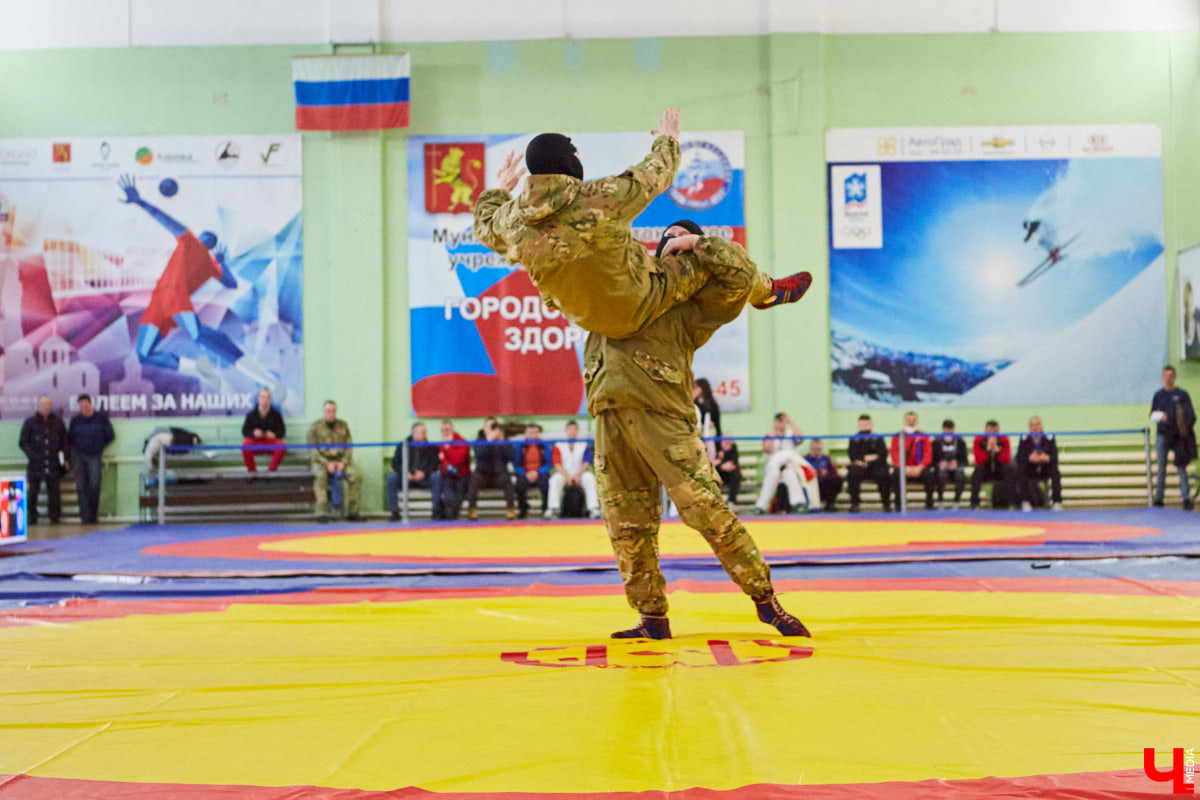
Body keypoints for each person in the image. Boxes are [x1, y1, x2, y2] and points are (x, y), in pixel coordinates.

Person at [587, 226, 809, 640]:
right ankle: (651, 618)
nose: (673, 237)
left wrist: (700, 245)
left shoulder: (691, 306)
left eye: (682, 236)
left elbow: (740, 279)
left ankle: (766, 600)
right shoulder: (623, 289)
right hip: (610, 417)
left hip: (664, 420)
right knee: (626, 525)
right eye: (668, 234)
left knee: (708, 511)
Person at [472, 110, 811, 340]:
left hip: (586, 320)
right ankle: (768, 292)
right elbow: (656, 173)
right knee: (708, 254)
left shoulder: (511, 220)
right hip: (638, 302)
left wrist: (501, 187)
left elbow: (483, 226)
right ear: (567, 162)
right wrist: (668, 138)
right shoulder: (598, 197)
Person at [307, 400, 362, 523]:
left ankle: (353, 512)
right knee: (320, 475)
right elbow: (312, 451)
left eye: (333, 411)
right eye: (328, 411)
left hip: (340, 462)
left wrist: (343, 462)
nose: (331, 413)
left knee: (356, 475)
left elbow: (348, 447)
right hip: (321, 462)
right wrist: (326, 464)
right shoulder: (315, 427)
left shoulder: (343, 426)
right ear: (324, 412)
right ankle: (321, 513)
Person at [1150, 365, 1196, 510]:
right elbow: (1151, 415)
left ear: (1174, 377)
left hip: (1179, 437)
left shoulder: (1182, 394)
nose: (1168, 378)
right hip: (1162, 435)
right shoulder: (1158, 395)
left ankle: (1186, 498)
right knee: (1161, 466)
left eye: (1171, 375)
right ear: (1163, 377)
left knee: (1181, 467)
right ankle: (1159, 499)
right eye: (1166, 375)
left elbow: (1190, 415)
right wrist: (1161, 416)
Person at [752, 413, 818, 514]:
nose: (780, 424)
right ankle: (761, 506)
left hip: (789, 467)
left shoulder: (791, 434)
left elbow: (800, 439)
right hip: (774, 469)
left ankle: (799, 503)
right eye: (778, 421)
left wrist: (791, 422)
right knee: (773, 473)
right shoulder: (770, 436)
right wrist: (775, 433)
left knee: (789, 472)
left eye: (782, 421)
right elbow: (767, 449)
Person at [18, 395, 67, 525]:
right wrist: (32, 455)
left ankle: (55, 517)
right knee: (33, 492)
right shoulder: (30, 422)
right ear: (38, 405)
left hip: (53, 463)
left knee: (54, 492)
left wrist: (64, 459)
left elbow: (65, 442)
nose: (46, 406)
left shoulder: (58, 422)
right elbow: (23, 442)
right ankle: (32, 517)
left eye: (48, 404)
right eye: (43, 404)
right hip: (36, 464)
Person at [67, 394, 114, 524]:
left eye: (85, 404)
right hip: (78, 457)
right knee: (81, 486)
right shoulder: (75, 420)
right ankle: (84, 516)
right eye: (81, 405)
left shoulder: (101, 418)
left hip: (94, 456)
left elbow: (110, 435)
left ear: (90, 403)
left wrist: (99, 447)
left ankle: (93, 516)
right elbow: (69, 438)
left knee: (94, 485)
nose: (84, 407)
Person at [387, 422, 441, 521]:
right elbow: (395, 463)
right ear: (414, 433)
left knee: (436, 476)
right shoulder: (403, 445)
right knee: (391, 478)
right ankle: (394, 512)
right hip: (406, 479)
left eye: (425, 432)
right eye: (423, 432)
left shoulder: (432, 447)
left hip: (424, 478)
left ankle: (436, 511)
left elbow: (435, 464)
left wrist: (424, 473)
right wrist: (405, 473)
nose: (425, 434)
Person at [546, 420, 600, 518]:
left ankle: (593, 508)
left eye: (575, 429)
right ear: (566, 430)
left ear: (578, 431)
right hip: (563, 474)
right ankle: (553, 509)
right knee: (554, 480)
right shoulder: (559, 445)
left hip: (580, 474)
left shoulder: (584, 445)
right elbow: (557, 464)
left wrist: (578, 476)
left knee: (590, 478)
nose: (573, 431)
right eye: (570, 429)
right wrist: (567, 476)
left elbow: (586, 463)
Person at [467, 417, 517, 520]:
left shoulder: (504, 440)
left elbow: (511, 457)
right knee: (474, 479)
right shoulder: (479, 440)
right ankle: (472, 509)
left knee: (506, 479)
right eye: (490, 426)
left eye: (494, 426)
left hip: (499, 475)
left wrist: (502, 441)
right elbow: (478, 454)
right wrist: (489, 441)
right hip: (483, 475)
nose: (492, 429)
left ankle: (510, 510)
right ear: (485, 429)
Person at [890, 411, 936, 510]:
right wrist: (904, 467)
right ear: (904, 421)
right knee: (895, 475)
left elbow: (928, 454)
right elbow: (894, 453)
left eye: (913, 420)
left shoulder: (923, 435)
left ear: (917, 421)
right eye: (908, 420)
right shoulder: (897, 436)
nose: (911, 422)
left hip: (919, 469)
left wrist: (919, 467)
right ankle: (898, 504)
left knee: (930, 475)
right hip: (904, 468)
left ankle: (930, 503)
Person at [1016, 416, 1063, 511]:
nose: (1035, 427)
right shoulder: (1024, 439)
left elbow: (1055, 456)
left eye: (1037, 424)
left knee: (1056, 472)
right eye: (1032, 425)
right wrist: (1029, 458)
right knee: (1021, 471)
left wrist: (1047, 458)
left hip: (1045, 468)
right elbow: (1019, 457)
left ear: (1041, 426)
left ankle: (1056, 502)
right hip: (1031, 469)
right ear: (1029, 427)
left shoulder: (1049, 439)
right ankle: (1025, 501)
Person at [847, 414, 890, 513]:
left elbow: (882, 454)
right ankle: (855, 504)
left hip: (876, 466)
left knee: (884, 473)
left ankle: (886, 503)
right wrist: (863, 459)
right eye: (862, 424)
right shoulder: (854, 439)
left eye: (867, 423)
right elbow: (852, 455)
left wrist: (867, 461)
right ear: (859, 425)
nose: (864, 426)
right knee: (852, 472)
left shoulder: (878, 438)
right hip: (860, 467)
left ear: (871, 424)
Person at [970, 420, 1014, 510]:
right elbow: (979, 460)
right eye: (990, 431)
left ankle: (1011, 503)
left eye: (995, 431)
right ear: (985, 431)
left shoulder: (1004, 439)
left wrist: (998, 450)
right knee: (977, 471)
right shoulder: (978, 440)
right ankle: (975, 503)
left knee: (1008, 470)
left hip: (999, 470)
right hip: (985, 470)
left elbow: (1006, 459)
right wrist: (988, 449)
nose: (992, 434)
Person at [242, 388, 286, 472]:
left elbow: (282, 432)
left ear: (270, 399)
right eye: (262, 397)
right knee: (245, 445)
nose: (264, 399)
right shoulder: (251, 414)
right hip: (256, 442)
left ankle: (272, 470)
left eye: (267, 397)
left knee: (281, 445)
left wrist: (274, 435)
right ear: (258, 399)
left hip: (270, 442)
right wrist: (253, 433)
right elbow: (244, 431)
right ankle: (252, 472)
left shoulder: (276, 415)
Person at [514, 423, 551, 519]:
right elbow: (516, 464)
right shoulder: (520, 446)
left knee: (546, 483)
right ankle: (523, 509)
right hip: (525, 473)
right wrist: (525, 473)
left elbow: (549, 463)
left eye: (535, 433)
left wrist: (538, 472)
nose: (532, 435)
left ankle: (545, 509)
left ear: (539, 433)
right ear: (525, 433)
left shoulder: (544, 446)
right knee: (519, 484)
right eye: (530, 433)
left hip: (540, 473)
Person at [437, 419, 470, 520]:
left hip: (461, 474)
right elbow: (440, 461)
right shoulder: (439, 444)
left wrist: (448, 448)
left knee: (459, 494)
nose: (445, 432)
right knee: (447, 495)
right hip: (447, 475)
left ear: (452, 430)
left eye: (447, 429)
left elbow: (458, 460)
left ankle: (452, 517)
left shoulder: (461, 441)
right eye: (443, 430)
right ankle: (449, 517)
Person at [931, 419, 967, 510]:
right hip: (942, 470)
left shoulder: (960, 441)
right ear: (943, 430)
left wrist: (957, 463)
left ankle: (956, 501)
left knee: (960, 476)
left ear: (953, 430)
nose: (948, 433)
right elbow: (932, 459)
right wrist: (940, 464)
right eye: (946, 431)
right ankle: (940, 501)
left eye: (950, 431)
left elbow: (965, 459)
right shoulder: (936, 441)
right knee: (941, 475)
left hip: (956, 469)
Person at [806, 439, 842, 512]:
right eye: (814, 449)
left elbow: (834, 472)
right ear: (811, 448)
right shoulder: (805, 459)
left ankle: (830, 503)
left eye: (818, 449)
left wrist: (826, 473)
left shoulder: (826, 458)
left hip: (824, 484)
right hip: (810, 484)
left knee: (837, 480)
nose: (816, 450)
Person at [713, 438, 742, 506]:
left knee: (736, 475)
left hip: (729, 475)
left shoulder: (733, 449)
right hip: (719, 475)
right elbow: (713, 465)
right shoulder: (716, 449)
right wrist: (721, 464)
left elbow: (733, 464)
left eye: (729, 442)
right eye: (725, 442)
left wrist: (720, 463)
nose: (727, 443)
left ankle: (731, 501)